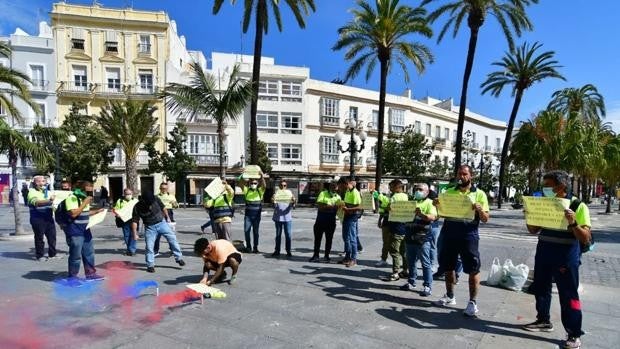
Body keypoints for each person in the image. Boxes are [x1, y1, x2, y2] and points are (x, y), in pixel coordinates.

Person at [522, 170, 591, 349]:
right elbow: (533, 229)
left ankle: (574, 333)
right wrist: (529, 214)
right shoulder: (544, 204)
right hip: (544, 252)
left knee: (569, 295)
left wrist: (573, 222)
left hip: (566, 257)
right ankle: (543, 320)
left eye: (547, 186)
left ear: (560, 187)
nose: (544, 190)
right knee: (541, 288)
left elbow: (585, 238)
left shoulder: (578, 205)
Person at [434, 165, 489, 317]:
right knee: (448, 267)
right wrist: (437, 205)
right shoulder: (449, 192)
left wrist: (479, 209)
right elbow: (440, 214)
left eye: (464, 174)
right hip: (449, 233)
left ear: (471, 176)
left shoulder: (479, 194)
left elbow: (485, 219)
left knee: (473, 269)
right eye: (459, 174)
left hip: (469, 235)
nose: (461, 177)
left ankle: (472, 302)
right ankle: (450, 296)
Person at [131, 191, 185, 273]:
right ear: (143, 201)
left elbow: (163, 208)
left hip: (162, 223)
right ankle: (150, 265)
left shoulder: (155, 198)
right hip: (150, 228)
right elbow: (135, 221)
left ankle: (179, 258)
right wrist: (135, 234)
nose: (150, 205)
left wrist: (168, 218)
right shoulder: (137, 207)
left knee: (173, 239)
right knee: (149, 246)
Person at [63, 180, 105, 280]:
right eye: (88, 192)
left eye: (91, 192)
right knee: (75, 255)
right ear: (81, 190)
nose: (90, 194)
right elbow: (73, 213)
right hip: (75, 231)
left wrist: (96, 211)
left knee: (89, 253)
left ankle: (90, 274)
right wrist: (85, 202)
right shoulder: (72, 198)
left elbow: (84, 213)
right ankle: (73, 276)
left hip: (85, 230)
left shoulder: (83, 199)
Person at [402, 183, 437, 296]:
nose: (417, 191)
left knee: (425, 263)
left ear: (427, 192)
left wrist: (421, 214)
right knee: (410, 262)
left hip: (422, 237)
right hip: (409, 236)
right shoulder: (411, 202)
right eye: (416, 189)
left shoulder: (429, 203)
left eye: (420, 189)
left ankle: (427, 285)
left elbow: (432, 217)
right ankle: (411, 281)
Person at [27, 176, 57, 261]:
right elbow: (36, 203)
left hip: (48, 218)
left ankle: (52, 254)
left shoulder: (47, 192)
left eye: (43, 181)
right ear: (35, 183)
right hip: (37, 218)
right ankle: (40, 256)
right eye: (39, 181)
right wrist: (49, 200)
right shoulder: (32, 192)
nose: (41, 183)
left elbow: (52, 205)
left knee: (52, 237)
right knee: (39, 237)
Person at [309, 182, 341, 263]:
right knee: (317, 239)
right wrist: (332, 207)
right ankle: (316, 255)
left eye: (336, 188)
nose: (334, 189)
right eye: (333, 187)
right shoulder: (323, 193)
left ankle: (327, 256)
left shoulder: (338, 197)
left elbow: (339, 210)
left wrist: (328, 206)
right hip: (320, 220)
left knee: (329, 239)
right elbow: (320, 207)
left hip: (331, 221)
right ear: (330, 187)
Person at [385, 179, 409, 281]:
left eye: (391, 187)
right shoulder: (405, 196)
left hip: (395, 227)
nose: (390, 189)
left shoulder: (394, 197)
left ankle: (395, 272)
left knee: (395, 251)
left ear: (396, 187)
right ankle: (405, 270)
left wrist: (386, 207)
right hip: (404, 227)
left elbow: (390, 209)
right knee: (404, 252)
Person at [238, 172, 266, 253]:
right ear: (249, 183)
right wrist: (242, 175)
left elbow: (264, 185)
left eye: (255, 183)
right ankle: (249, 247)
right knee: (246, 231)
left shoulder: (259, 191)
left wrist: (262, 177)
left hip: (256, 216)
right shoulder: (247, 190)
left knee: (255, 232)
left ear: (257, 184)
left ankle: (255, 247)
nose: (253, 184)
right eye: (252, 183)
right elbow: (240, 183)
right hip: (248, 216)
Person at [338, 177, 361, 267]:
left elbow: (360, 206)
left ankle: (353, 259)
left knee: (352, 238)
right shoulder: (347, 191)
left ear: (345, 184)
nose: (340, 188)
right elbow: (348, 203)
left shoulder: (355, 192)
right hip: (346, 216)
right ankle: (347, 257)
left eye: (341, 186)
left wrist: (348, 209)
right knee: (345, 237)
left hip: (352, 217)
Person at [271, 179, 296, 258]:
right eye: (281, 185)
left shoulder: (289, 193)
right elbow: (273, 206)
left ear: (286, 186)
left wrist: (294, 201)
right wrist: (273, 201)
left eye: (284, 185)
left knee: (288, 235)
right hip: (278, 218)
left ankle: (288, 251)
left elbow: (293, 206)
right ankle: (277, 250)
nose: (283, 187)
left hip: (287, 218)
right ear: (279, 186)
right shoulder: (276, 194)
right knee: (278, 235)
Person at [153, 182, 179, 255]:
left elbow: (176, 206)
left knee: (170, 233)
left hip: (169, 213)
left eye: (165, 188)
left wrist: (175, 204)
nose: (164, 190)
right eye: (162, 188)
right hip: (159, 214)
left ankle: (172, 249)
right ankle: (156, 250)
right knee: (157, 233)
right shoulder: (156, 196)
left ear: (167, 189)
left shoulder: (171, 196)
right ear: (160, 189)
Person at [113, 188, 138, 256]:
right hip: (124, 220)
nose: (128, 195)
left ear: (132, 194)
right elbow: (115, 209)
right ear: (124, 194)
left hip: (134, 220)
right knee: (126, 235)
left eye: (130, 194)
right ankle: (130, 249)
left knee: (133, 234)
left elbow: (139, 209)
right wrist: (117, 214)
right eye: (127, 194)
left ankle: (131, 250)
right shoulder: (120, 201)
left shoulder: (135, 201)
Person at [374, 188, 391, 267]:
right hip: (386, 222)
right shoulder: (384, 200)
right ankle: (383, 259)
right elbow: (382, 212)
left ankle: (403, 263)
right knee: (385, 242)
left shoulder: (388, 199)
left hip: (395, 223)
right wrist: (379, 220)